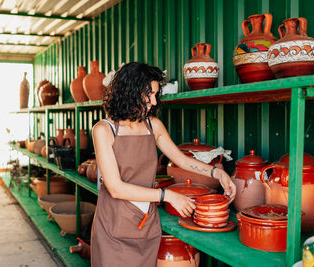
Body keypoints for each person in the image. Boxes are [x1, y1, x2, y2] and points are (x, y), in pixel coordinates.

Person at [90, 62, 236, 267]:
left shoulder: (154, 126)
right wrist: (167, 196)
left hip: (145, 223)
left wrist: (217, 173)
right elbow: (116, 188)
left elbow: (181, 160)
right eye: (147, 95)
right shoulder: (104, 130)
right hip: (113, 226)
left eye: (155, 95)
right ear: (128, 91)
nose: (153, 102)